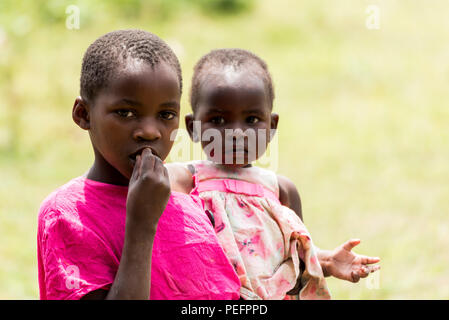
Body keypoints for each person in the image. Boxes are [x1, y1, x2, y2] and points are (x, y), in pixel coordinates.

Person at [36, 30, 241, 300]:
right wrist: (142, 225)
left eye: (166, 115)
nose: (149, 132)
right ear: (83, 114)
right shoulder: (67, 216)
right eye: (126, 113)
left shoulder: (192, 198)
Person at [167, 48, 380, 300]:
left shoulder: (280, 190)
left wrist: (328, 261)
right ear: (193, 127)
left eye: (252, 119)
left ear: (272, 126)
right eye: (219, 120)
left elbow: (293, 261)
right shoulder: (182, 180)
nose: (237, 132)